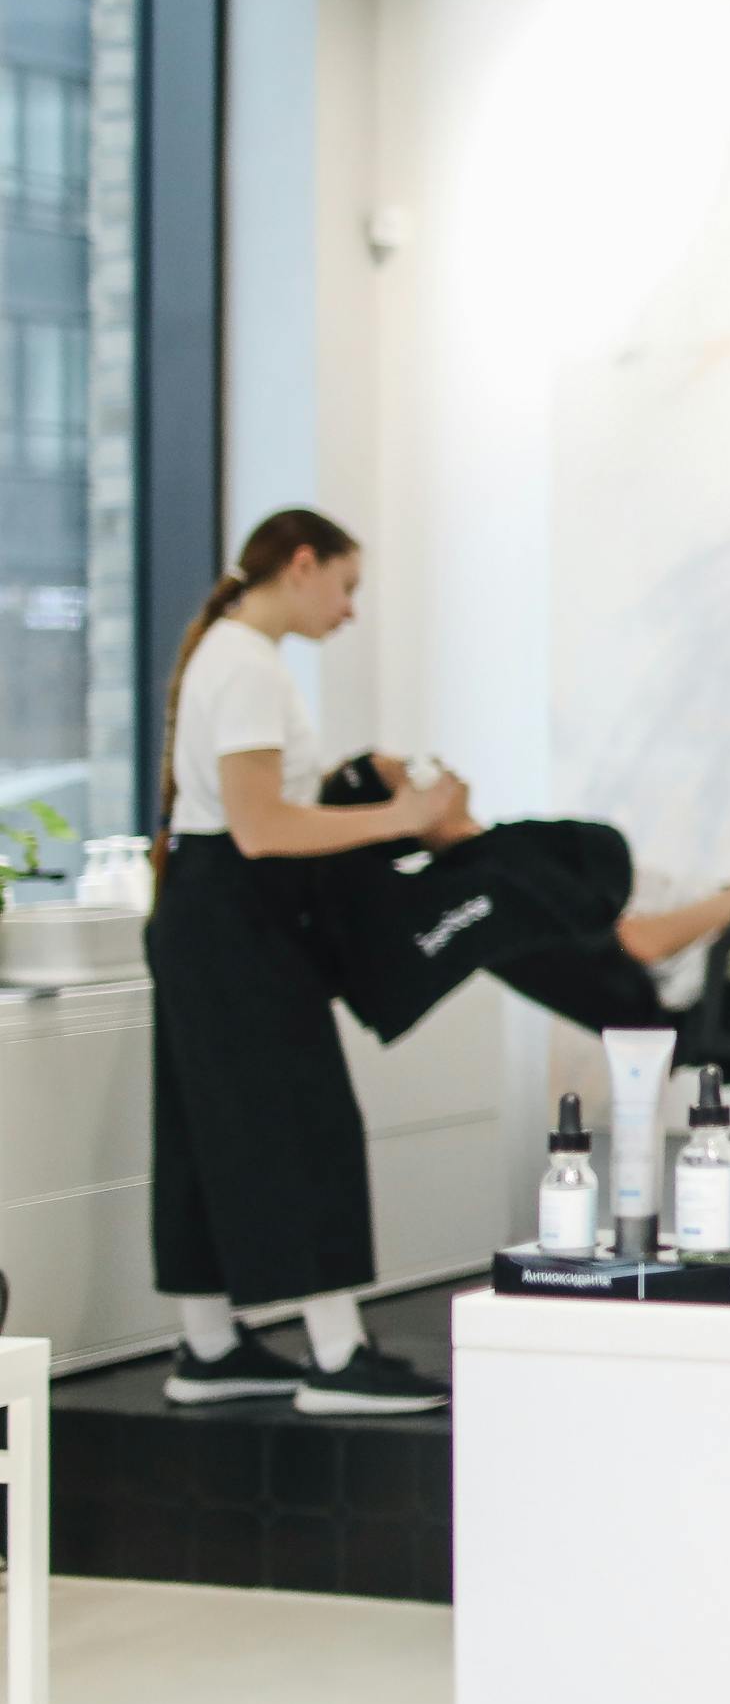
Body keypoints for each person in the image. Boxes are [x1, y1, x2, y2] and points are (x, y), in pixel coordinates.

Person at [147, 508, 458, 1415]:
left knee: (202, 1135)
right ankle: (336, 1356)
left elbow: (266, 804)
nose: (351, 609)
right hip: (235, 916)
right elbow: (262, 826)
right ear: (302, 562)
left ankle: (208, 1347)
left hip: (207, 910)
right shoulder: (244, 664)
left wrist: (363, 776)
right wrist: (400, 818)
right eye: (348, 585)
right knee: (307, 1121)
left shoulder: (236, 656)